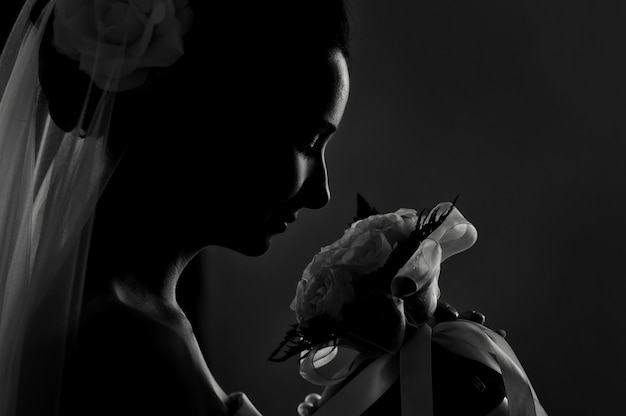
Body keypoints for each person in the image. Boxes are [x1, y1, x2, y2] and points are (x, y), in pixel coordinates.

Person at [0, 1, 505, 415]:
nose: (322, 192)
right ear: (217, 111)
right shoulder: (132, 349)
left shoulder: (121, 317)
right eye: (309, 141)